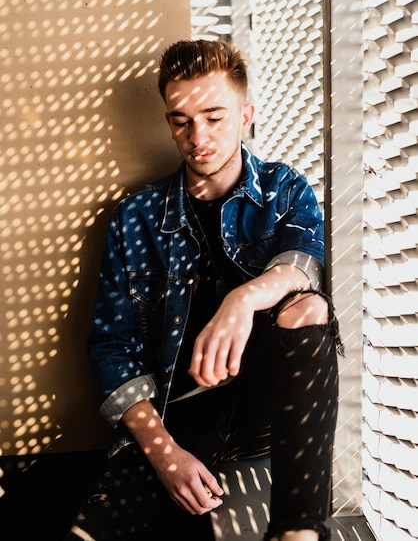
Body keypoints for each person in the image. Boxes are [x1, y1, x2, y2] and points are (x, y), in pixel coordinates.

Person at [65, 39, 344, 541]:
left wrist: (242, 299)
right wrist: (165, 454)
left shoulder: (283, 189)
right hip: (178, 414)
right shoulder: (136, 217)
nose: (199, 137)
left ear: (246, 115)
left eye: (215, 117)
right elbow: (111, 347)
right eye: (182, 121)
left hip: (263, 403)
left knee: (309, 309)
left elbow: (305, 265)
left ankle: (299, 532)